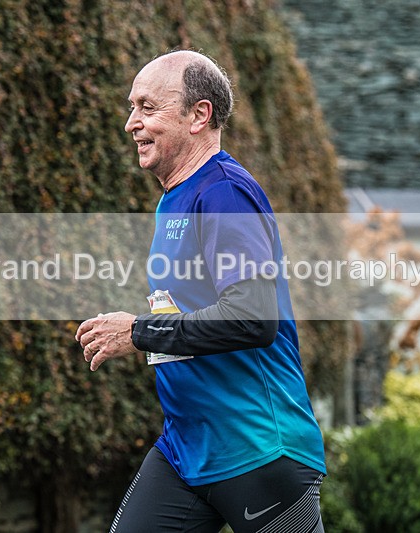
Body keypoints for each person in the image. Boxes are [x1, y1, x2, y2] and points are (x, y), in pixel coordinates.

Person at [75, 50, 326, 533]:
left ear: (199, 115)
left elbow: (252, 317)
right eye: (131, 107)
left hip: (256, 448)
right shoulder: (176, 199)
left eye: (147, 107)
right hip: (187, 450)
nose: (131, 123)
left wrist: (139, 332)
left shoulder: (224, 194)